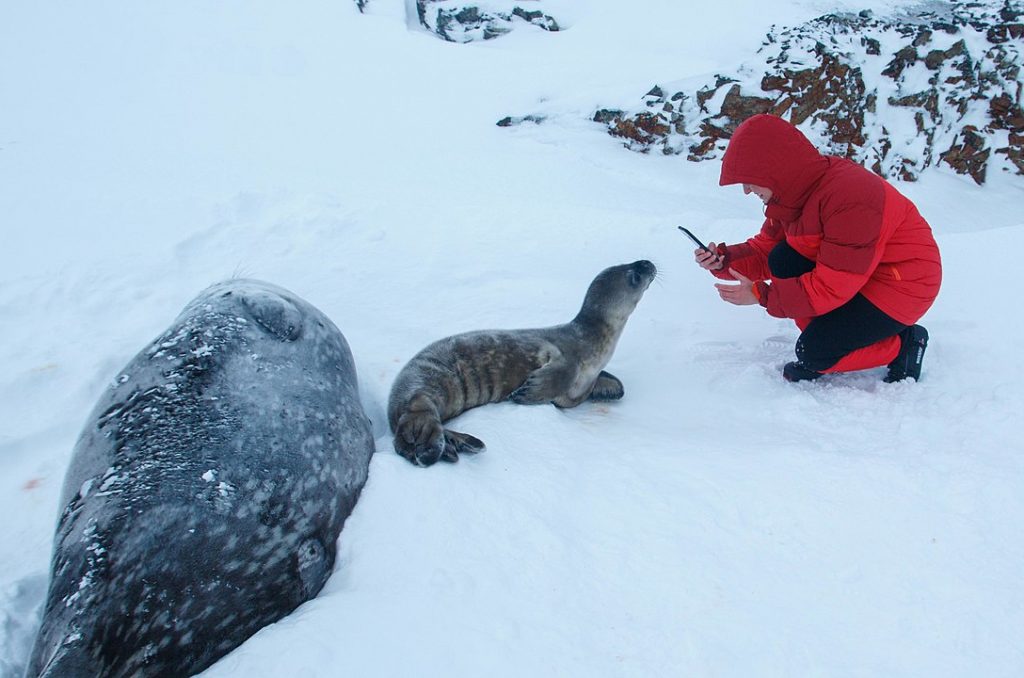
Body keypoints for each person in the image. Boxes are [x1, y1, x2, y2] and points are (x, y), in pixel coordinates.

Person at [694, 114, 942, 383]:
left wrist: (763, 295)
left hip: (901, 286)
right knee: (783, 258)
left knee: (814, 353)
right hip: (857, 275)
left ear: (774, 170)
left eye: (749, 179)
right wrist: (724, 261)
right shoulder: (791, 197)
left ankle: (905, 342)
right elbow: (767, 251)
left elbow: (832, 286)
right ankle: (828, 340)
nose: (746, 190)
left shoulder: (851, 198)